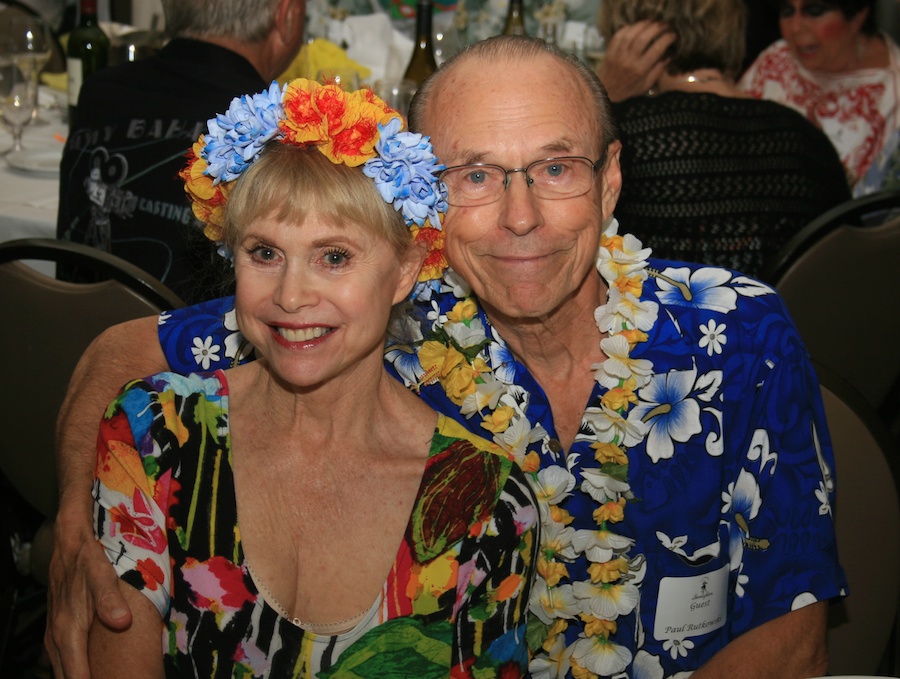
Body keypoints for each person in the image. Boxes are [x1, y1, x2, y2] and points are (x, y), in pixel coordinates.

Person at [48, 36, 845, 679]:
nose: (520, 218)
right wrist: (78, 540)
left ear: (609, 183)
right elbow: (116, 354)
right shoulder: (379, 318)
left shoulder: (741, 334)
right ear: (423, 204)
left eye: (557, 168)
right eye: (476, 176)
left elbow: (793, 631)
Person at [86, 79, 538, 677]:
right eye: (265, 254)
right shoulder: (153, 436)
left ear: (405, 268)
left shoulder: (485, 504)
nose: (291, 296)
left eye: (334, 257)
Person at [56, 0, 306, 304]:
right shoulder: (272, 130)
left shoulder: (100, 91)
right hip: (188, 348)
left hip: (72, 330)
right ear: (287, 16)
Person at [595, 0, 851, 276]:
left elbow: (558, 212)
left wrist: (599, 96)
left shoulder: (620, 133)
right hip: (787, 316)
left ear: (629, 36)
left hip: (663, 316)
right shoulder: (807, 138)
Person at [739, 0, 900, 196]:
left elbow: (874, 210)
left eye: (814, 11)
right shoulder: (777, 58)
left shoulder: (893, 92)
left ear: (858, 15)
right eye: (787, 11)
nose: (796, 27)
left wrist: (818, 151)